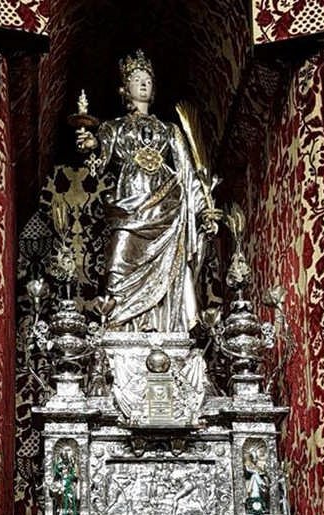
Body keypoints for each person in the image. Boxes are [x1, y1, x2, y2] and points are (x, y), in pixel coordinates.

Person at [76, 50, 218, 333]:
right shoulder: (113, 128)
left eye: (148, 79)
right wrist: (90, 144)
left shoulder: (169, 130)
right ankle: (120, 327)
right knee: (119, 261)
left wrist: (204, 209)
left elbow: (188, 173)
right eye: (136, 78)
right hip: (129, 206)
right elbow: (98, 162)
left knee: (171, 266)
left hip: (166, 206)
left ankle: (165, 328)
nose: (143, 83)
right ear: (124, 88)